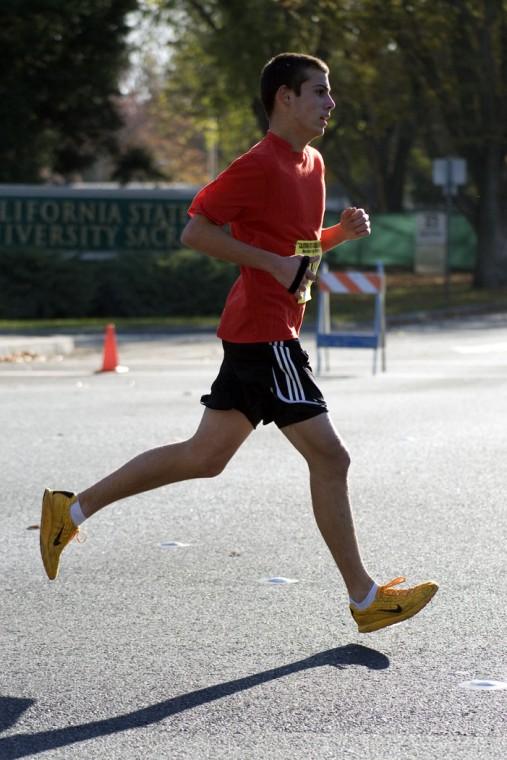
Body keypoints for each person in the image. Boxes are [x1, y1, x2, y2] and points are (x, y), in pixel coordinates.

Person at [40, 52, 438, 634]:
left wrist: (336, 236)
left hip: (267, 329)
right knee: (332, 457)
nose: (331, 103)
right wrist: (269, 265)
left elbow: (296, 251)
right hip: (264, 332)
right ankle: (365, 598)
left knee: (204, 458)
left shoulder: (313, 164)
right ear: (285, 97)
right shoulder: (258, 164)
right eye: (320, 92)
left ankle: (70, 510)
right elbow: (195, 228)